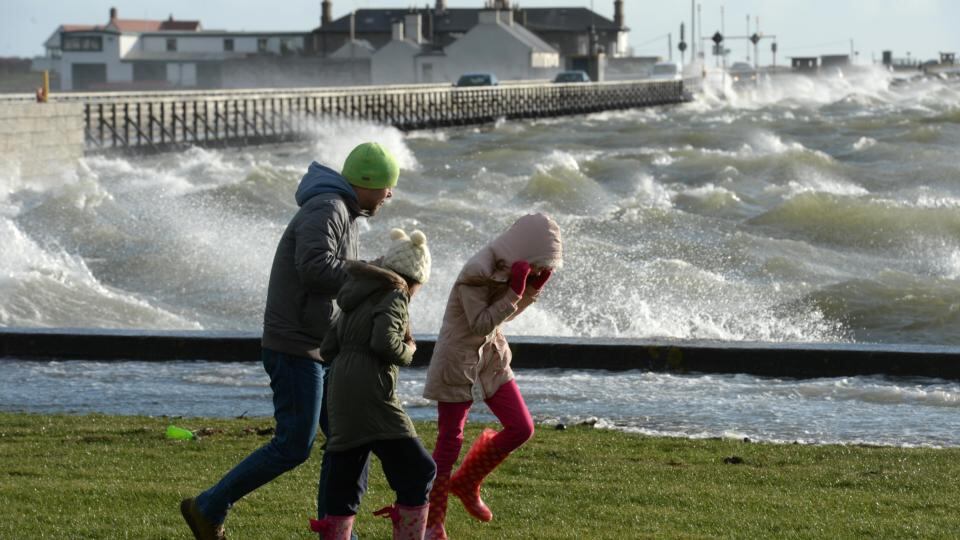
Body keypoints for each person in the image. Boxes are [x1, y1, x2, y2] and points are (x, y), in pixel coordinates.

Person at [180, 142, 400, 540]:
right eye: (387, 186)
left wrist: (377, 275)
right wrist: (371, 273)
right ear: (369, 183)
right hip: (295, 346)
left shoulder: (343, 212)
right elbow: (316, 270)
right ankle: (208, 507)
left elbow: (340, 277)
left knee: (348, 439)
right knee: (293, 445)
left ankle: (336, 530)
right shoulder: (328, 208)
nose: (389, 195)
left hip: (320, 346)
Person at [421, 213, 562, 539]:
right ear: (524, 250)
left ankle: (467, 481)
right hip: (457, 359)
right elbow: (480, 322)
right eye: (539, 265)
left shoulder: (509, 266)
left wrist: (529, 292)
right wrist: (516, 290)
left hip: (490, 358)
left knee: (521, 427)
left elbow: (502, 320)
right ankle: (432, 524)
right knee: (448, 442)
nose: (541, 270)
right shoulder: (477, 272)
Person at [310, 228, 437, 540]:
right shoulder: (396, 295)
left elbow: (328, 347)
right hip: (371, 391)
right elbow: (383, 342)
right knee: (419, 470)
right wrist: (409, 351)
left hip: (340, 387)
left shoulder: (357, 293)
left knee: (347, 472)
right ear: (414, 278)